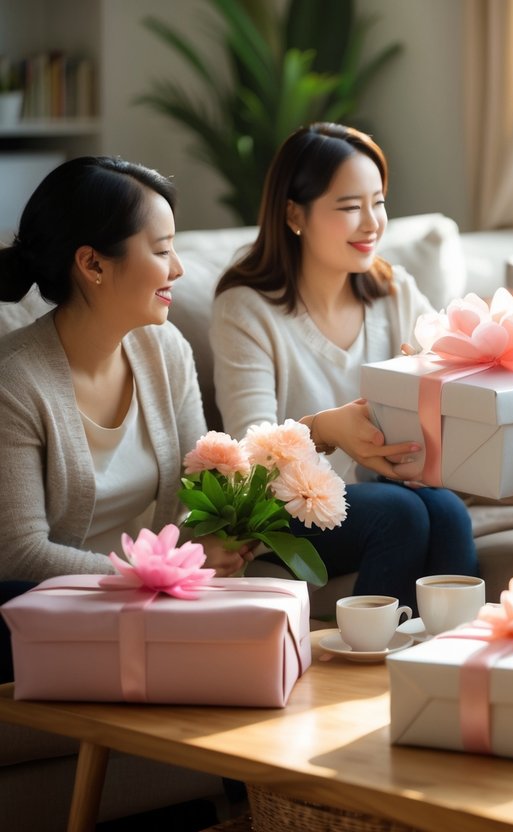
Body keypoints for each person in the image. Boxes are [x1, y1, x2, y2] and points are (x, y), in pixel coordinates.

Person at [0, 157, 250, 680]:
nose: (178, 268)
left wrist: (219, 535)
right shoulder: (15, 382)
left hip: (151, 593)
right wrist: (158, 573)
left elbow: (194, 491)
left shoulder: (166, 351)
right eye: (161, 251)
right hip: (55, 604)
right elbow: (20, 556)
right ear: (92, 264)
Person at [211, 122, 476, 611]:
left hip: (385, 491)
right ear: (294, 213)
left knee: (449, 512)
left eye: (378, 201)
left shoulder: (394, 291)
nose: (373, 222)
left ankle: (452, 665)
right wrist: (326, 429)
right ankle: (369, 672)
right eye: (350, 207)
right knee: (400, 513)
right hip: (286, 505)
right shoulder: (246, 309)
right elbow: (247, 458)